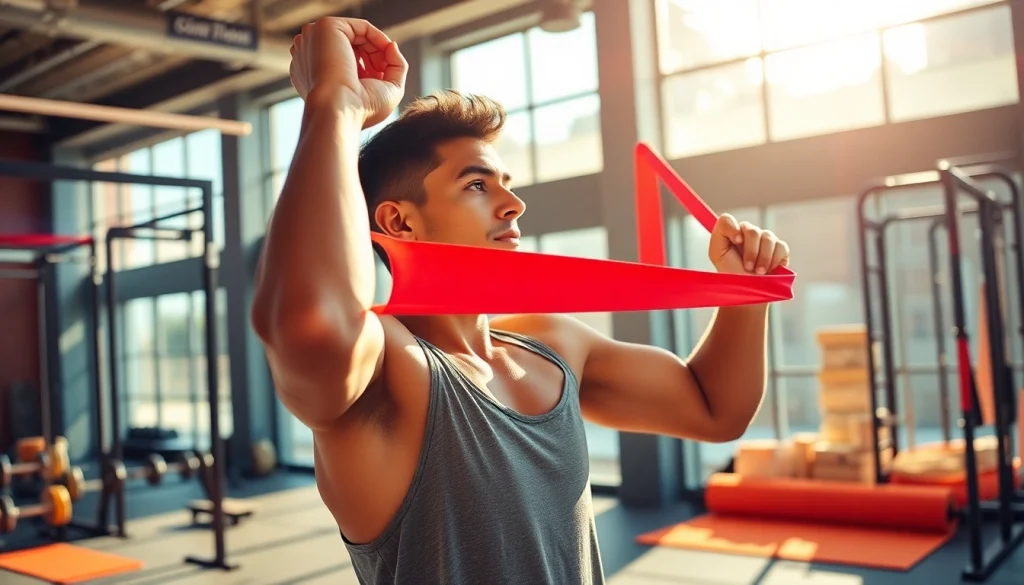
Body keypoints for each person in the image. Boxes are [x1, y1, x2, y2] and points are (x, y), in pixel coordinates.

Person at [251, 17, 791, 585]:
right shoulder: (389, 371)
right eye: (477, 185)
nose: (513, 205)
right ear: (399, 222)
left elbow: (713, 407)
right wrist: (335, 103)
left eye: (506, 182)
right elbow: (312, 320)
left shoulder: (552, 345)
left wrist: (743, 292)